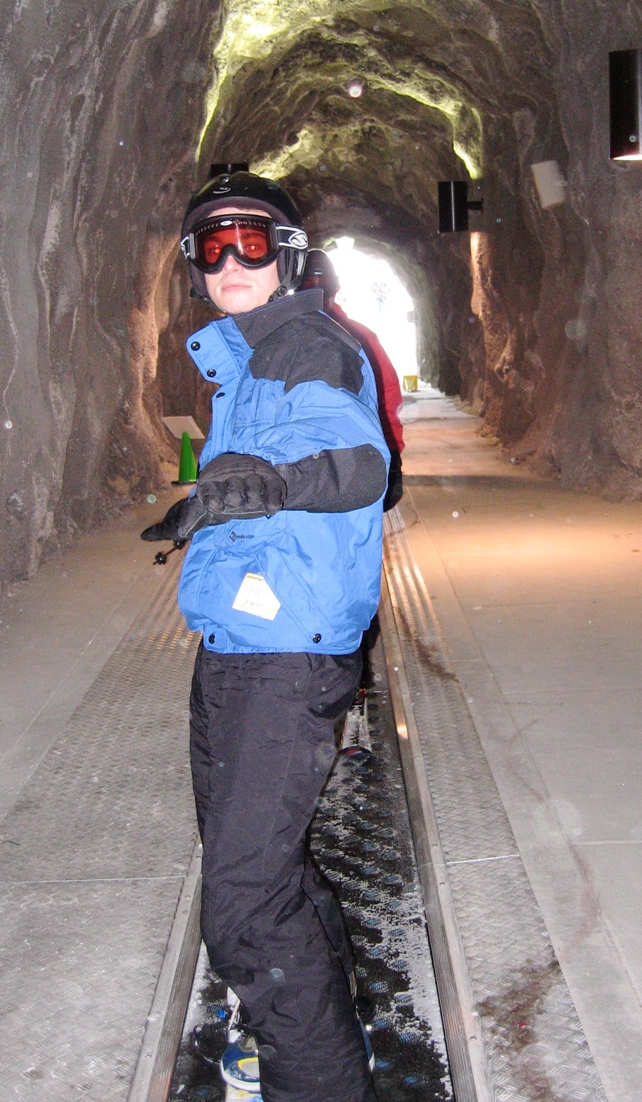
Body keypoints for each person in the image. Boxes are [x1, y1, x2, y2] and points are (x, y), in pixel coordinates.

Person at [142, 170, 387, 1102]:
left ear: (285, 255)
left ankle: (316, 1081)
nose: (229, 260)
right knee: (260, 873)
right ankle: (322, 1032)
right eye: (210, 244)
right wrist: (217, 500)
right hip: (244, 641)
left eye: (251, 240)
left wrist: (275, 486)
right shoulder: (245, 360)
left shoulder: (303, 347)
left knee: (242, 901)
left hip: (287, 654)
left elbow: (361, 464)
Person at [299, 249, 404, 512]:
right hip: (307, 468)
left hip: (348, 465)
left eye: (322, 291)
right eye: (311, 289)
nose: (319, 299)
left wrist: (390, 457)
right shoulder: (279, 341)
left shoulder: (360, 340)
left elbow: (386, 399)